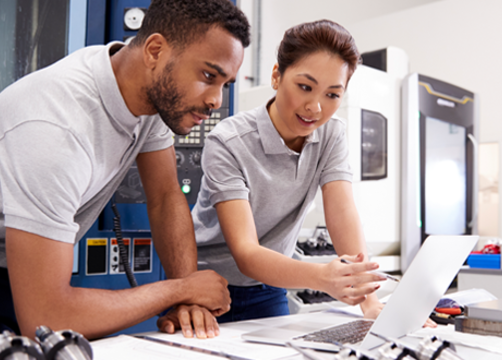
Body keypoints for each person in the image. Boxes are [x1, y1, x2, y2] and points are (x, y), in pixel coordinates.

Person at [0, 0, 249, 339]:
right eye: (208, 76)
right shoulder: (54, 128)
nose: (216, 100)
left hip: (13, 266)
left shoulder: (142, 92)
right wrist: (179, 290)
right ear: (155, 51)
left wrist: (189, 300)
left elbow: (166, 196)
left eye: (225, 84)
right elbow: (46, 319)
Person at [159, 20, 385, 327]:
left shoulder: (331, 135)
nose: (315, 107)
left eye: (332, 95)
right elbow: (246, 252)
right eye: (305, 87)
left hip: (269, 288)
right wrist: (322, 277)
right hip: (206, 288)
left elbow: (343, 213)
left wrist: (370, 303)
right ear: (277, 76)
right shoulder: (228, 140)